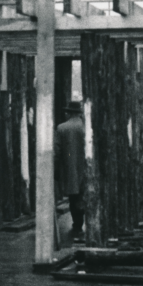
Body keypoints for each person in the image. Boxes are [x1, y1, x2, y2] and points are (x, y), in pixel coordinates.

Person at [55, 100, 86, 236]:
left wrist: (56, 169)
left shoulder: (61, 128)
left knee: (74, 198)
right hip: (86, 168)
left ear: (68, 112)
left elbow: (57, 151)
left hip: (70, 168)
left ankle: (77, 224)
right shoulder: (85, 127)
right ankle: (84, 224)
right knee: (85, 195)